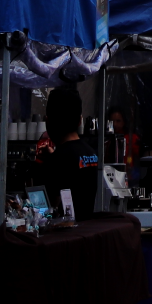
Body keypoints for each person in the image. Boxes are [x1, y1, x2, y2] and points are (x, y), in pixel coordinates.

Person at [37, 86, 101, 220]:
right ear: (79, 120)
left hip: (63, 236)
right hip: (85, 232)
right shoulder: (90, 153)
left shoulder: (58, 160)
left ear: (48, 121)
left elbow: (49, 210)